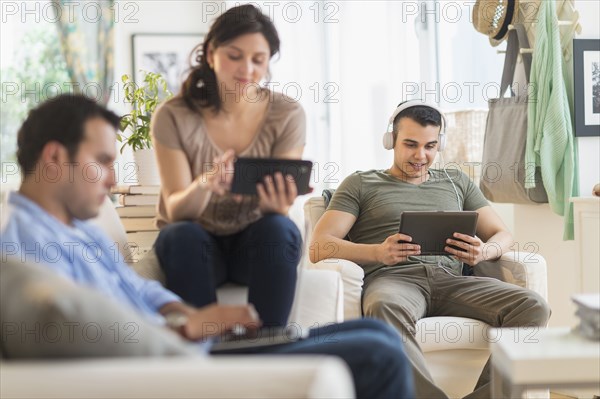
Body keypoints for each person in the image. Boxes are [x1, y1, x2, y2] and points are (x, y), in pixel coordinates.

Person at [0, 94, 414, 399]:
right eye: (104, 161)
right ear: (54, 157)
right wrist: (183, 329)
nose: (112, 180)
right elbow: (80, 330)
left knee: (375, 329)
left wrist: (187, 312)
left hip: (194, 343)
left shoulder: (78, 227)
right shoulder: (24, 247)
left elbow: (137, 289)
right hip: (179, 367)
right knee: (378, 353)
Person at [309, 100, 551, 399]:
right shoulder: (361, 183)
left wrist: (483, 252)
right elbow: (320, 246)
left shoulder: (457, 182)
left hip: (452, 281)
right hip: (393, 280)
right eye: (410, 144)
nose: (421, 155)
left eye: (430, 146)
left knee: (533, 306)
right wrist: (377, 252)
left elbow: (503, 234)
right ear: (391, 140)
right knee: (384, 306)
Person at [151, 4, 306, 328]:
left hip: (253, 243)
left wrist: (275, 206)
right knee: (182, 235)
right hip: (197, 244)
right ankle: (203, 348)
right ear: (211, 54)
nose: (246, 69)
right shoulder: (173, 115)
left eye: (257, 60)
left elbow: (280, 205)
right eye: (234, 56)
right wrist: (205, 183)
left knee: (279, 228)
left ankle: (268, 345)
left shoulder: (287, 113)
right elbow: (177, 209)